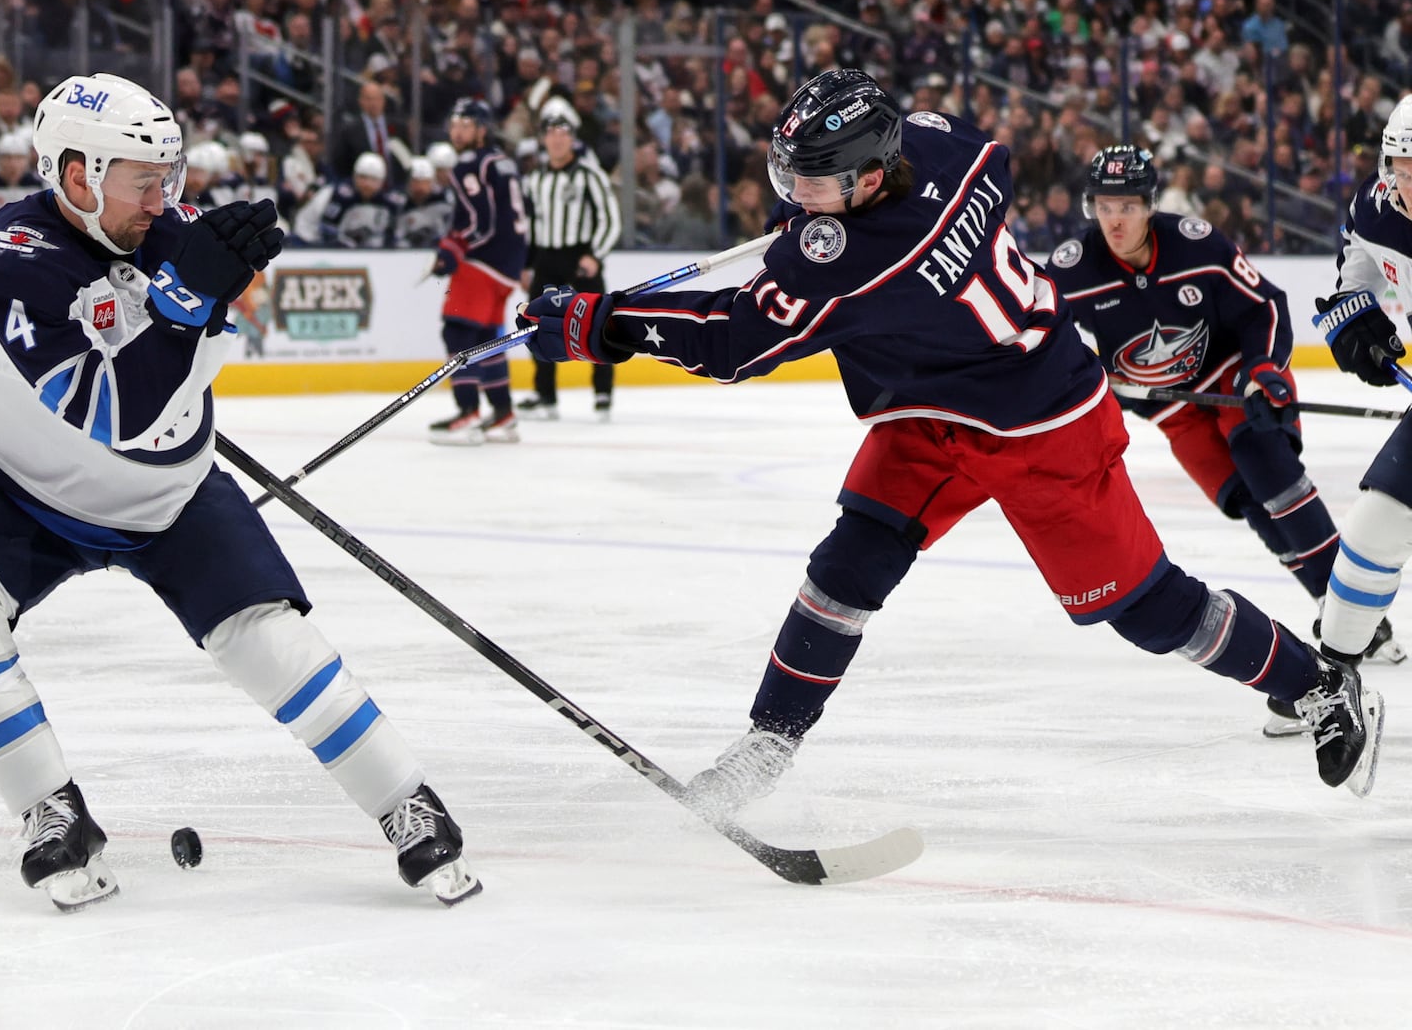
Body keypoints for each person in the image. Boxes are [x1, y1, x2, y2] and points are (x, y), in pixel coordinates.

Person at [517, 69, 1385, 816]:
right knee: (847, 564)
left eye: (815, 186)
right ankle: (767, 747)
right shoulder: (941, 148)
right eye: (796, 181)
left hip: (1041, 422)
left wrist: (595, 321)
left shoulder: (859, 262)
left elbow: (730, 340)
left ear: (867, 178)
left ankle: (1316, 684)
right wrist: (814, 226)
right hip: (936, 403)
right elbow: (982, 159)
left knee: (1145, 606)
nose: (796, 201)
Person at [0, 73, 480, 912]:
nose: (162, 200)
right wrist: (186, 298)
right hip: (14, 491)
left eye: (167, 180)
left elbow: (180, 358)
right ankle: (49, 806)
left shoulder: (167, 234)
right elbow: (114, 411)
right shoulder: (12, 254)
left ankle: (404, 800)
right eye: (143, 180)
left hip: (168, 498)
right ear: (77, 176)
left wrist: (199, 288)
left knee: (270, 641)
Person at [1045, 144, 1403, 738]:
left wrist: (1264, 370)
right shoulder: (1069, 270)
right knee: (1247, 502)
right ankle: (1349, 611)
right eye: (1105, 205)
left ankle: (1351, 619)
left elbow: (1266, 304)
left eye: (1128, 205)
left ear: (1149, 205)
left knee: (1270, 474)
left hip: (1239, 380)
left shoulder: (1194, 243)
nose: (1116, 219)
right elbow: (1042, 340)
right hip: (1176, 411)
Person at [1312, 93, 1412, 693]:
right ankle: (1330, 679)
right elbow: (1355, 268)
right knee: (1374, 524)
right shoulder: (1378, 212)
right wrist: (1353, 320)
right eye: (1406, 166)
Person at [427, 98, 528, 445]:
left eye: (465, 124)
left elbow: (480, 223)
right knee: (486, 337)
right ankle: (503, 414)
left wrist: (454, 246)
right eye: (454, 124)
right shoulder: (504, 163)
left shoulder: (470, 163)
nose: (457, 131)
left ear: (482, 130)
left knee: (457, 332)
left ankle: (468, 412)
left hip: (483, 262)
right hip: (507, 265)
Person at [518, 100, 622, 423]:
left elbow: (610, 219)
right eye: (551, 132)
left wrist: (595, 255)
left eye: (562, 132)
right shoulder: (535, 178)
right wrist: (527, 263)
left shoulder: (589, 176)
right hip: (547, 259)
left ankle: (602, 393)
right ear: (543, 139)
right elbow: (531, 224)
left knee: (598, 322)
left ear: (573, 137)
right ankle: (545, 395)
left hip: (580, 257)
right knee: (537, 325)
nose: (557, 138)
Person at [393, 156, 454, 249]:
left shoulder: (444, 202)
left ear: (432, 182)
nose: (420, 188)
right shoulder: (399, 204)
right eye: (416, 182)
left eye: (425, 182)